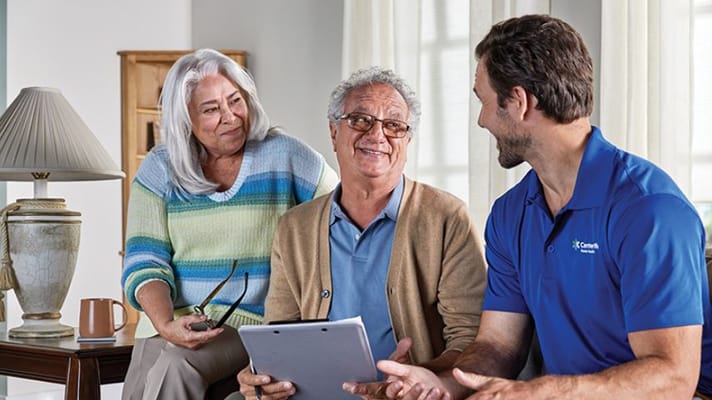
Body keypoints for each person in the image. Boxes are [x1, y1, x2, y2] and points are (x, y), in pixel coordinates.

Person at [348, 14, 712, 400]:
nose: (482, 119)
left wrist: (542, 392)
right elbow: (498, 348)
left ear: (519, 102)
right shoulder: (511, 213)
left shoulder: (649, 210)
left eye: (484, 100)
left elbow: (672, 380)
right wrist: (441, 383)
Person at [235, 66, 487, 399]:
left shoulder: (447, 218)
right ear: (333, 131)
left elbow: (470, 339)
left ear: (407, 140)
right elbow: (279, 332)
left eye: (394, 125)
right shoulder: (294, 227)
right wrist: (261, 376)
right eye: (359, 120)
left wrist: (420, 375)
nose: (377, 135)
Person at [120, 48, 338, 400]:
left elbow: (343, 211)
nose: (230, 117)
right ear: (184, 119)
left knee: (177, 363)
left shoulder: (284, 155)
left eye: (235, 100)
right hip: (170, 322)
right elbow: (145, 262)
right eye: (211, 109)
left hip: (249, 325)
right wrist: (166, 325)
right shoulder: (160, 169)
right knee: (151, 364)